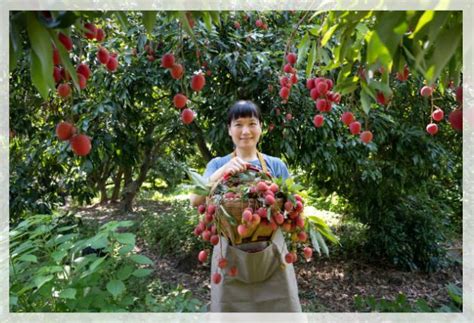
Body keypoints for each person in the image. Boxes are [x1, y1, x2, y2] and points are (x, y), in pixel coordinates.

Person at [189, 100, 302, 312]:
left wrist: (278, 199)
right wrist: (223, 171)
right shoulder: (216, 164)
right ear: (229, 129)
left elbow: (293, 206)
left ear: (261, 127)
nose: (246, 131)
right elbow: (195, 199)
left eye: (252, 123)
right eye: (238, 124)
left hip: (272, 255)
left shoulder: (275, 165)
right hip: (229, 253)